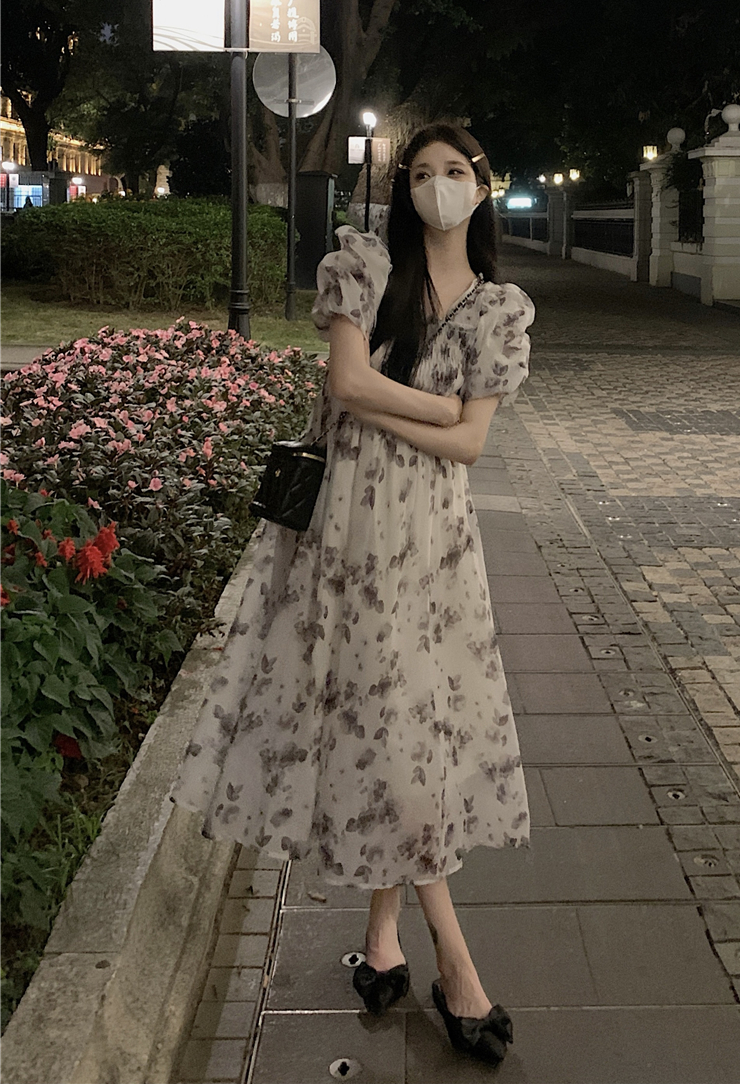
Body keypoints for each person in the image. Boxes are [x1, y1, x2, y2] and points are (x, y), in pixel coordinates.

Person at [169, 122, 534, 1066]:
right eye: (421, 172)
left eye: (455, 171)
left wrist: (390, 396)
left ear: (483, 187)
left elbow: (468, 445)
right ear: (402, 188)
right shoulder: (364, 266)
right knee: (391, 728)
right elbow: (344, 380)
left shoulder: (500, 309)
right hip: (349, 535)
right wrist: (438, 405)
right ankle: (456, 961)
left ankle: (381, 940)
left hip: (435, 547)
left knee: (403, 731)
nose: (437, 186)